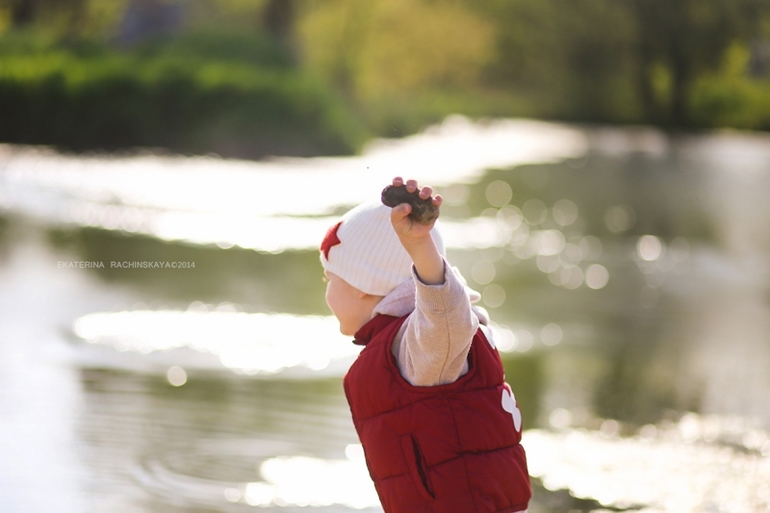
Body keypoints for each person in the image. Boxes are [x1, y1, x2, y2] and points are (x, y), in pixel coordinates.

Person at [320, 177, 531, 513]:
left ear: (363, 284)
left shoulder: (426, 346)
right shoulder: (403, 344)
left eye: (329, 279)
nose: (326, 291)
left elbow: (445, 313)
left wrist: (420, 248)